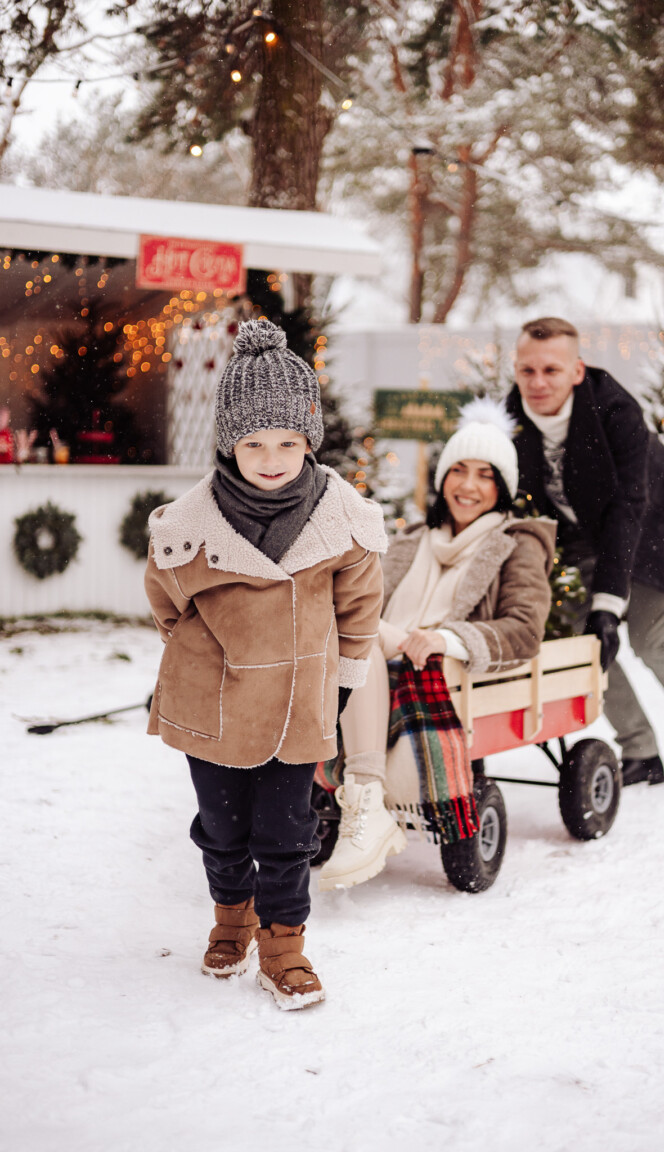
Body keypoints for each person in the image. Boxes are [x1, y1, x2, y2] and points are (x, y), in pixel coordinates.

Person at [144, 319, 386, 1009]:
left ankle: (284, 948)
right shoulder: (189, 526)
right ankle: (232, 918)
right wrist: (202, 660)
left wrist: (340, 683)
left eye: (286, 441)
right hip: (210, 703)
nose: (271, 457)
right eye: (253, 442)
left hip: (296, 707)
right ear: (229, 443)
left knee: (286, 831)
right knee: (221, 827)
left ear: (309, 440)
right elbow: (165, 600)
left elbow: (359, 609)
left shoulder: (340, 523)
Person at [318, 399, 555, 891]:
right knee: (339, 625)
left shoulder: (519, 543)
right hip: (383, 652)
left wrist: (447, 638)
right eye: (459, 471)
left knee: (351, 638)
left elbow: (525, 629)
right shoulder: (411, 537)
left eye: (485, 475)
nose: (468, 486)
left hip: (437, 668)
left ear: (503, 486)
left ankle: (364, 797)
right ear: (443, 476)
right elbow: (366, 602)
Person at [507, 316, 664, 786]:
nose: (538, 382)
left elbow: (629, 508)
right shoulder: (513, 417)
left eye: (552, 370)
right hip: (584, 535)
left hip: (657, 532)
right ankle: (641, 751)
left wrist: (608, 602)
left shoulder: (615, 411)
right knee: (582, 642)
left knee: (647, 636)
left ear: (577, 371)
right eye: (528, 371)